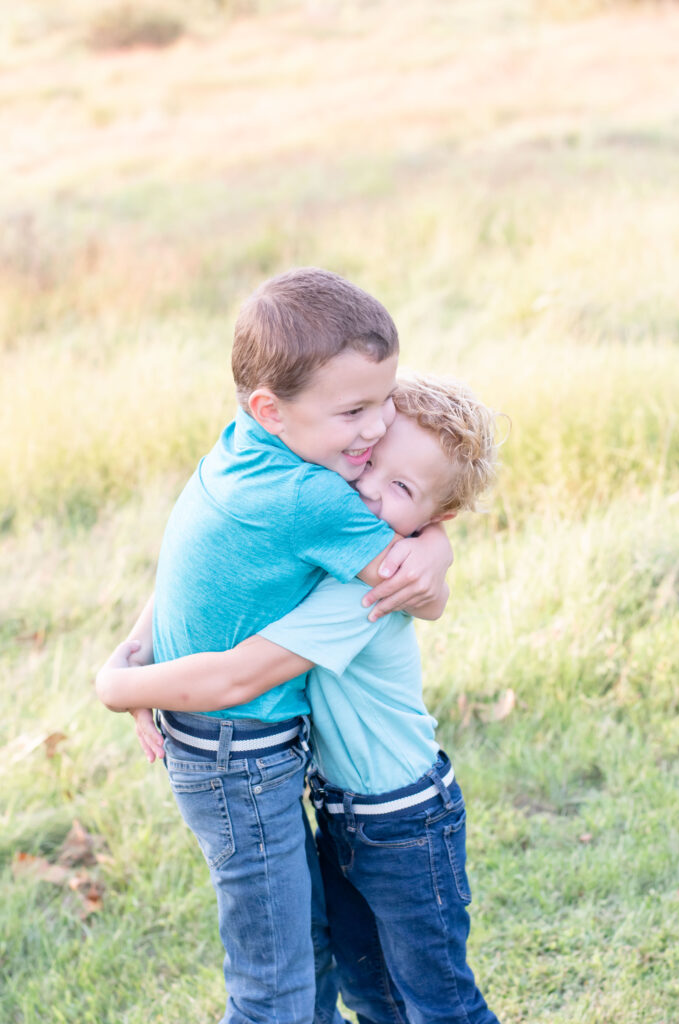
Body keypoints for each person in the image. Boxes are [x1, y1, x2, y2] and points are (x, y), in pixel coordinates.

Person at [102, 267, 453, 1024]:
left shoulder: (240, 450)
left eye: (385, 399)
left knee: (302, 949)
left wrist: (141, 653)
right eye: (354, 410)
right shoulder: (310, 495)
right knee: (277, 986)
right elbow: (415, 587)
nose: (377, 428)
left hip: (222, 746)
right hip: (239, 751)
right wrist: (435, 548)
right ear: (270, 407)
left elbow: (188, 564)